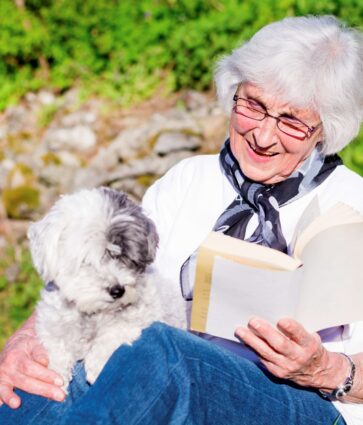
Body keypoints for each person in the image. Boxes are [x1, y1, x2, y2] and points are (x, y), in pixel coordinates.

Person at [1, 14, 363, 425]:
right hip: (165, 379)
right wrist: (27, 338)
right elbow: (99, 274)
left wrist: (326, 368)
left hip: (304, 405)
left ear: (325, 130)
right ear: (233, 91)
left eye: (292, 122)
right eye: (253, 105)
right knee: (54, 376)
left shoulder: (355, 203)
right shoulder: (187, 179)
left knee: (156, 350)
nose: (263, 136)